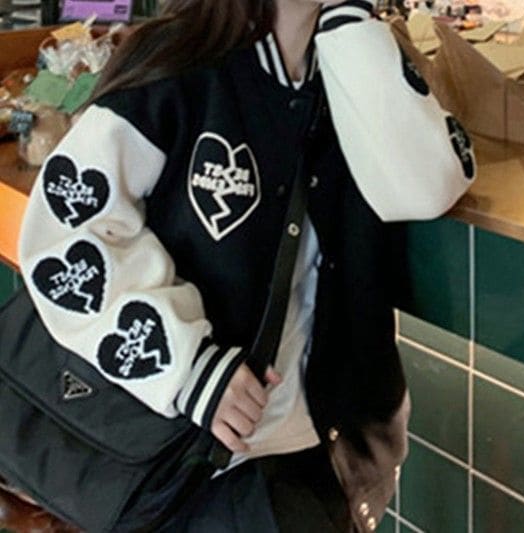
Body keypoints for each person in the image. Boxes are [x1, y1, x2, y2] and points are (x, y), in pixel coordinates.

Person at [18, 0, 476, 530]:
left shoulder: (354, 60)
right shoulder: (178, 60)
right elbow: (65, 234)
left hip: (327, 453)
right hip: (203, 463)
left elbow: (428, 185)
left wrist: (349, 20)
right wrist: (188, 366)